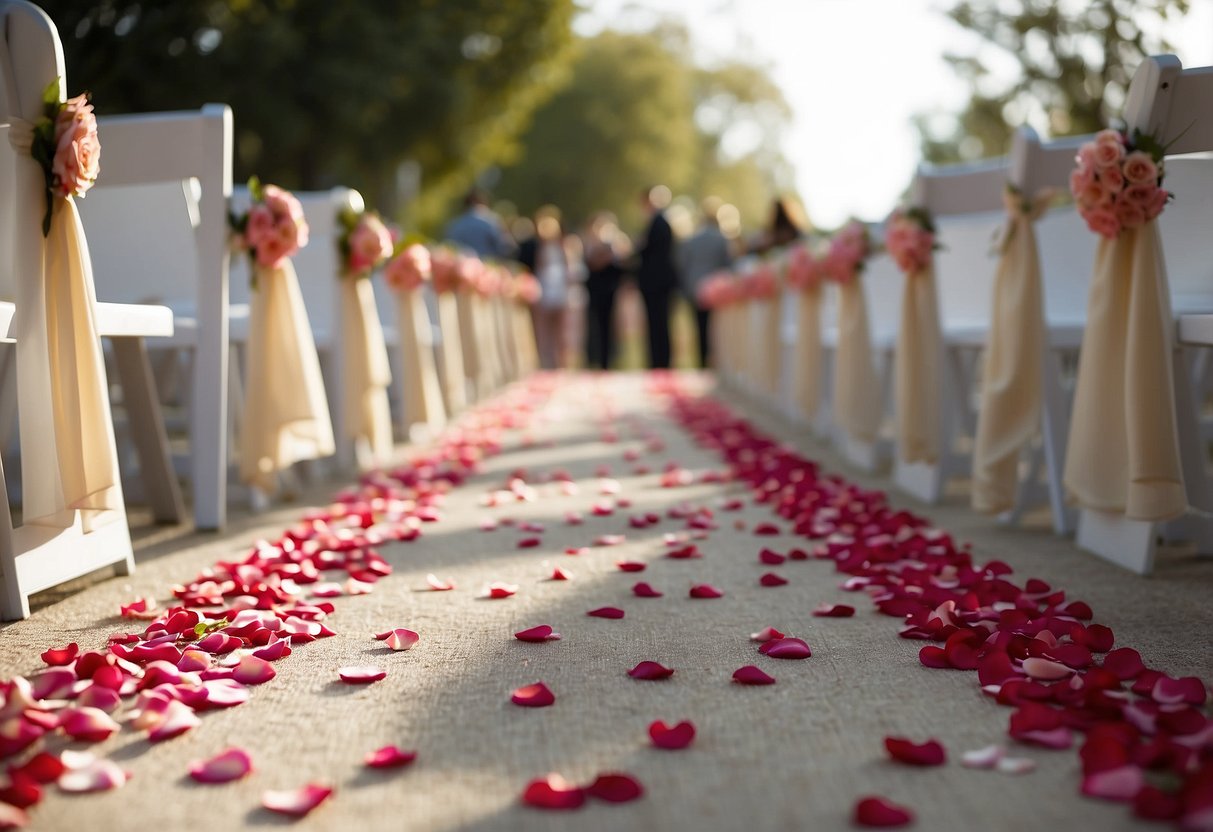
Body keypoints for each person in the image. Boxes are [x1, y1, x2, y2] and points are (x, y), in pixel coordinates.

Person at [677, 197, 734, 368]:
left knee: (700, 328)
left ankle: (702, 362)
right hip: (718, 289)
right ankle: (715, 362)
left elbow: (683, 265)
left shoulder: (692, 239)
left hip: (694, 288)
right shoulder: (722, 239)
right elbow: (727, 265)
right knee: (717, 329)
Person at [517, 206, 571, 370]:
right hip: (545, 289)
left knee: (560, 330)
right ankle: (545, 362)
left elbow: (567, 270)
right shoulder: (538, 248)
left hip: (559, 289)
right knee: (542, 329)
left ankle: (560, 363)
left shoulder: (563, 247)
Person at [635, 185, 678, 369]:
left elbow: (652, 253)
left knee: (659, 323)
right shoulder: (659, 222)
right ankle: (659, 361)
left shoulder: (659, 223)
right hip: (657, 282)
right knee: (657, 324)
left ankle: (660, 362)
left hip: (657, 282)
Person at [582, 212, 628, 370]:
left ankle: (609, 359)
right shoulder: (589, 242)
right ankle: (595, 358)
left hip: (610, 288)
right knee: (595, 324)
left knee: (612, 325)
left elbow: (622, 261)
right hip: (595, 289)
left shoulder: (616, 240)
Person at [443, 188, 513, 259]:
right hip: (488, 266)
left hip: (460, 266)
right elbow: (506, 247)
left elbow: (449, 247)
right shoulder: (493, 220)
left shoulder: (456, 223)